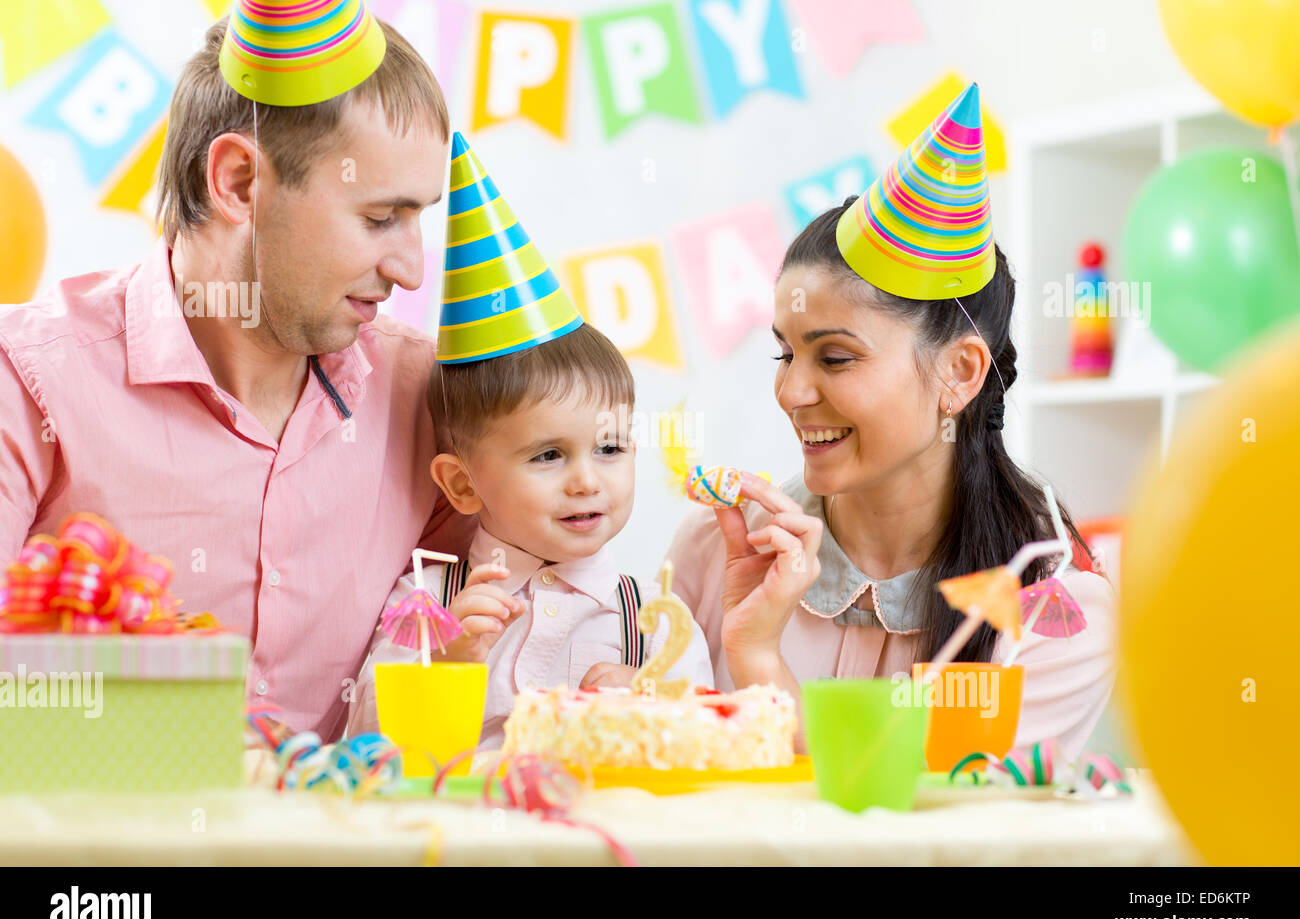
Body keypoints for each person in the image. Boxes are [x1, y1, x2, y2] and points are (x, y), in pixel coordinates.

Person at [0, 3, 474, 740]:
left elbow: (494, 655)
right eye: (382, 219)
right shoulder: (27, 381)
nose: (412, 270)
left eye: (420, 219)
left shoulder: (431, 402)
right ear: (240, 182)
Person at [665, 84, 1115, 761]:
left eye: (835, 357)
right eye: (784, 353)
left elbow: (926, 833)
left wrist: (758, 658)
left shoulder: (1053, 612)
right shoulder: (715, 551)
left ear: (960, 373)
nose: (790, 391)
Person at [347, 135, 712, 749]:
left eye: (610, 448)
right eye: (548, 455)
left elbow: (707, 751)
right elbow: (364, 744)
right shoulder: (425, 604)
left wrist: (646, 712)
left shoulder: (653, 622)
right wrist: (446, 666)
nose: (587, 480)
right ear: (462, 484)